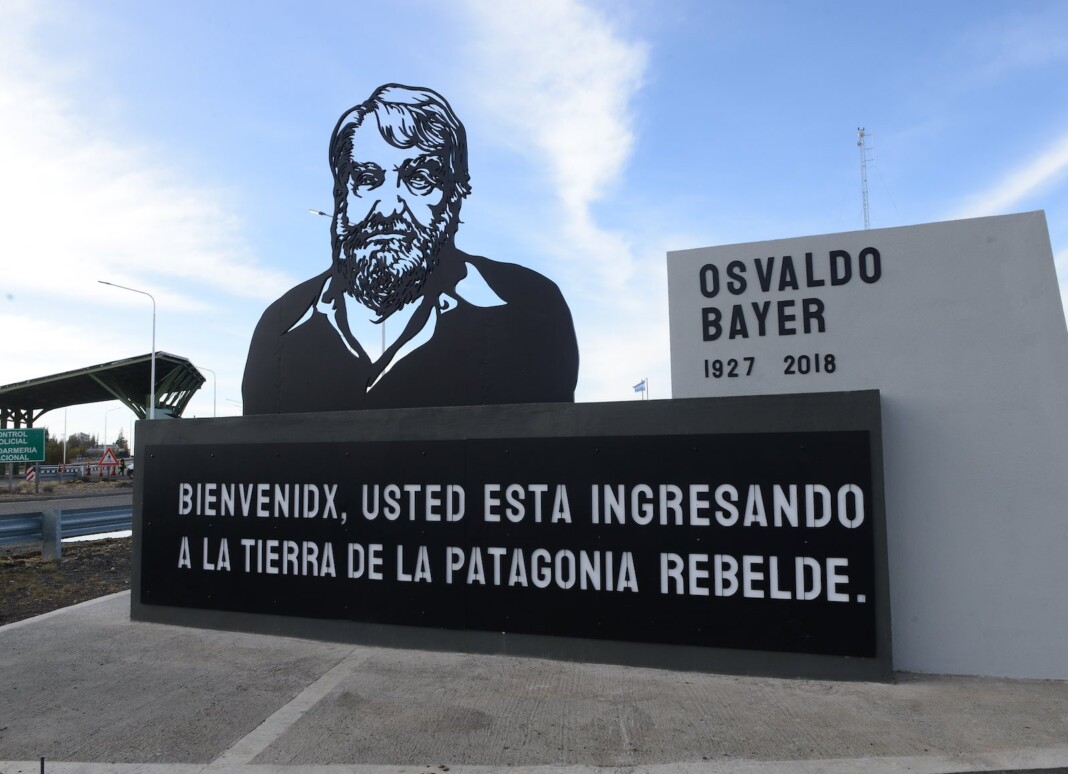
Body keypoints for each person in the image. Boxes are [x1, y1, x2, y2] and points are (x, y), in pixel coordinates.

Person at [242, 84, 579, 414]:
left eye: (418, 180)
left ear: (454, 198)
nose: (388, 208)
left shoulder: (529, 306)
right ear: (341, 195)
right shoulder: (282, 324)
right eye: (367, 179)